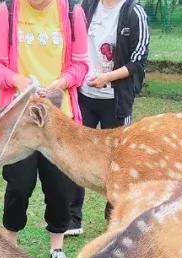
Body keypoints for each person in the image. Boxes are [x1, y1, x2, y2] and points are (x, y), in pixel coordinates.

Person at [0, 0, 89, 258]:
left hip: (58, 118)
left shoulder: (71, 11)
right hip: (20, 121)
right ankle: (10, 243)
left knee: (60, 187)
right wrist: (18, 82)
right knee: (19, 184)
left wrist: (60, 84)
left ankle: (57, 246)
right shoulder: (6, 11)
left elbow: (81, 65)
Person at [67, 0, 149, 236]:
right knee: (77, 156)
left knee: (120, 160)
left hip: (116, 99)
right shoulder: (85, 7)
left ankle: (114, 216)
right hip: (84, 95)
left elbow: (138, 61)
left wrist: (108, 78)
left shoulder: (134, 13)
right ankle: (73, 218)